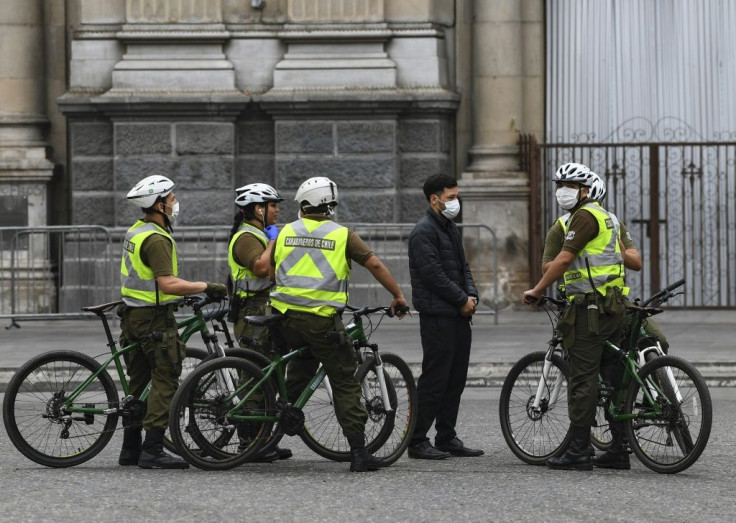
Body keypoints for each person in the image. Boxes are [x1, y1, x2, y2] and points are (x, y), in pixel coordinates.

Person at [269, 176, 409, 472]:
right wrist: (397, 295)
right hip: (321, 321)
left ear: (305, 205)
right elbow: (373, 264)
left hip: (285, 319)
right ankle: (359, 453)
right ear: (330, 204)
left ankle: (270, 434)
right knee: (345, 381)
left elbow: (273, 270)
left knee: (299, 372)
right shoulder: (342, 235)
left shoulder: (285, 232)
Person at [522, 163, 627, 471]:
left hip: (590, 310)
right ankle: (619, 448)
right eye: (560, 184)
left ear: (584, 191)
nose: (562, 191)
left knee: (582, 378)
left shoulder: (583, 216)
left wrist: (539, 289)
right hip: (613, 306)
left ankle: (580, 450)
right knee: (612, 377)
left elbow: (564, 259)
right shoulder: (607, 217)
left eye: (569, 185)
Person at [119, 175, 227, 469]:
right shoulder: (156, 239)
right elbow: (166, 283)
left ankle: (130, 449)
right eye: (171, 199)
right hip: (153, 319)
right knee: (166, 378)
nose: (175, 203)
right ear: (159, 205)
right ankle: (152, 449)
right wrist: (205, 286)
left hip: (132, 316)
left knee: (138, 384)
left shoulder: (137, 231)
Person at [406, 174, 483, 460]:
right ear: (434, 199)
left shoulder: (449, 228)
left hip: (458, 315)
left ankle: (446, 436)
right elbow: (433, 275)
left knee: (455, 379)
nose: (456, 202)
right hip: (438, 315)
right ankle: (416, 440)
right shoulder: (423, 232)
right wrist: (462, 299)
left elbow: (463, 267)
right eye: (451, 197)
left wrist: (471, 296)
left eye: (456, 196)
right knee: (435, 379)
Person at [227, 182, 291, 461]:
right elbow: (261, 268)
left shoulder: (258, 233)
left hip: (266, 307)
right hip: (253, 311)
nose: (277, 210)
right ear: (258, 209)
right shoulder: (246, 237)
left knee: (270, 374)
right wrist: (275, 240)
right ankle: (249, 443)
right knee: (255, 374)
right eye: (273, 205)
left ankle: (264, 439)